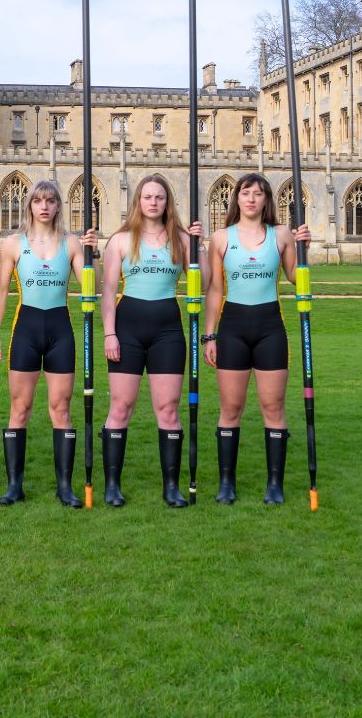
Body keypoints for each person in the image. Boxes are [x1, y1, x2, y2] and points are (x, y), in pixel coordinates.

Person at [0, 180, 98, 508]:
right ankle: (14, 486)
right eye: (38, 201)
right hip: (26, 330)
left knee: (61, 408)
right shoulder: (13, 244)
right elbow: (2, 292)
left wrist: (92, 254)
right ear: (30, 206)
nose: (44, 206)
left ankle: (64, 487)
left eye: (51, 200)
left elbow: (92, 288)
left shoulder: (72, 243)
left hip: (60, 331)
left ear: (58, 206)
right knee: (19, 408)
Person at [203, 173, 311, 505]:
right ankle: (226, 483)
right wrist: (210, 335)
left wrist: (303, 248)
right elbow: (215, 291)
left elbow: (295, 278)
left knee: (273, 406)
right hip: (233, 328)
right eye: (246, 193)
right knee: (230, 408)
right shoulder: (221, 238)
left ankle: (275, 485)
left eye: (259, 194)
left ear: (267, 200)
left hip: (270, 329)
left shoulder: (281, 236)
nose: (251, 199)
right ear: (236, 199)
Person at [100, 174, 205, 508]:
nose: (153, 203)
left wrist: (199, 249)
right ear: (138, 201)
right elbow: (109, 292)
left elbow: (205, 281)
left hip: (168, 332)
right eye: (147, 197)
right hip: (127, 329)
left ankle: (171, 487)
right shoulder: (120, 240)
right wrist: (109, 333)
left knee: (168, 409)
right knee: (120, 407)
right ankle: (112, 486)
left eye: (159, 197)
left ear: (167, 202)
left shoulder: (182, 239)